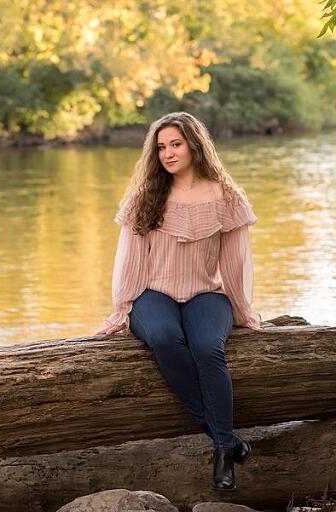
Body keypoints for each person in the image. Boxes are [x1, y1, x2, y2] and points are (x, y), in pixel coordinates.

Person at [95, 111, 263, 492]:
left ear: (194, 145)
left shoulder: (226, 196)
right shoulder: (146, 197)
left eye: (175, 144)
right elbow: (130, 260)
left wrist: (241, 307)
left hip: (206, 293)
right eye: (161, 147)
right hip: (153, 294)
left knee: (207, 347)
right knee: (166, 338)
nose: (168, 153)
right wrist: (123, 307)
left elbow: (235, 262)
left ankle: (222, 450)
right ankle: (227, 441)